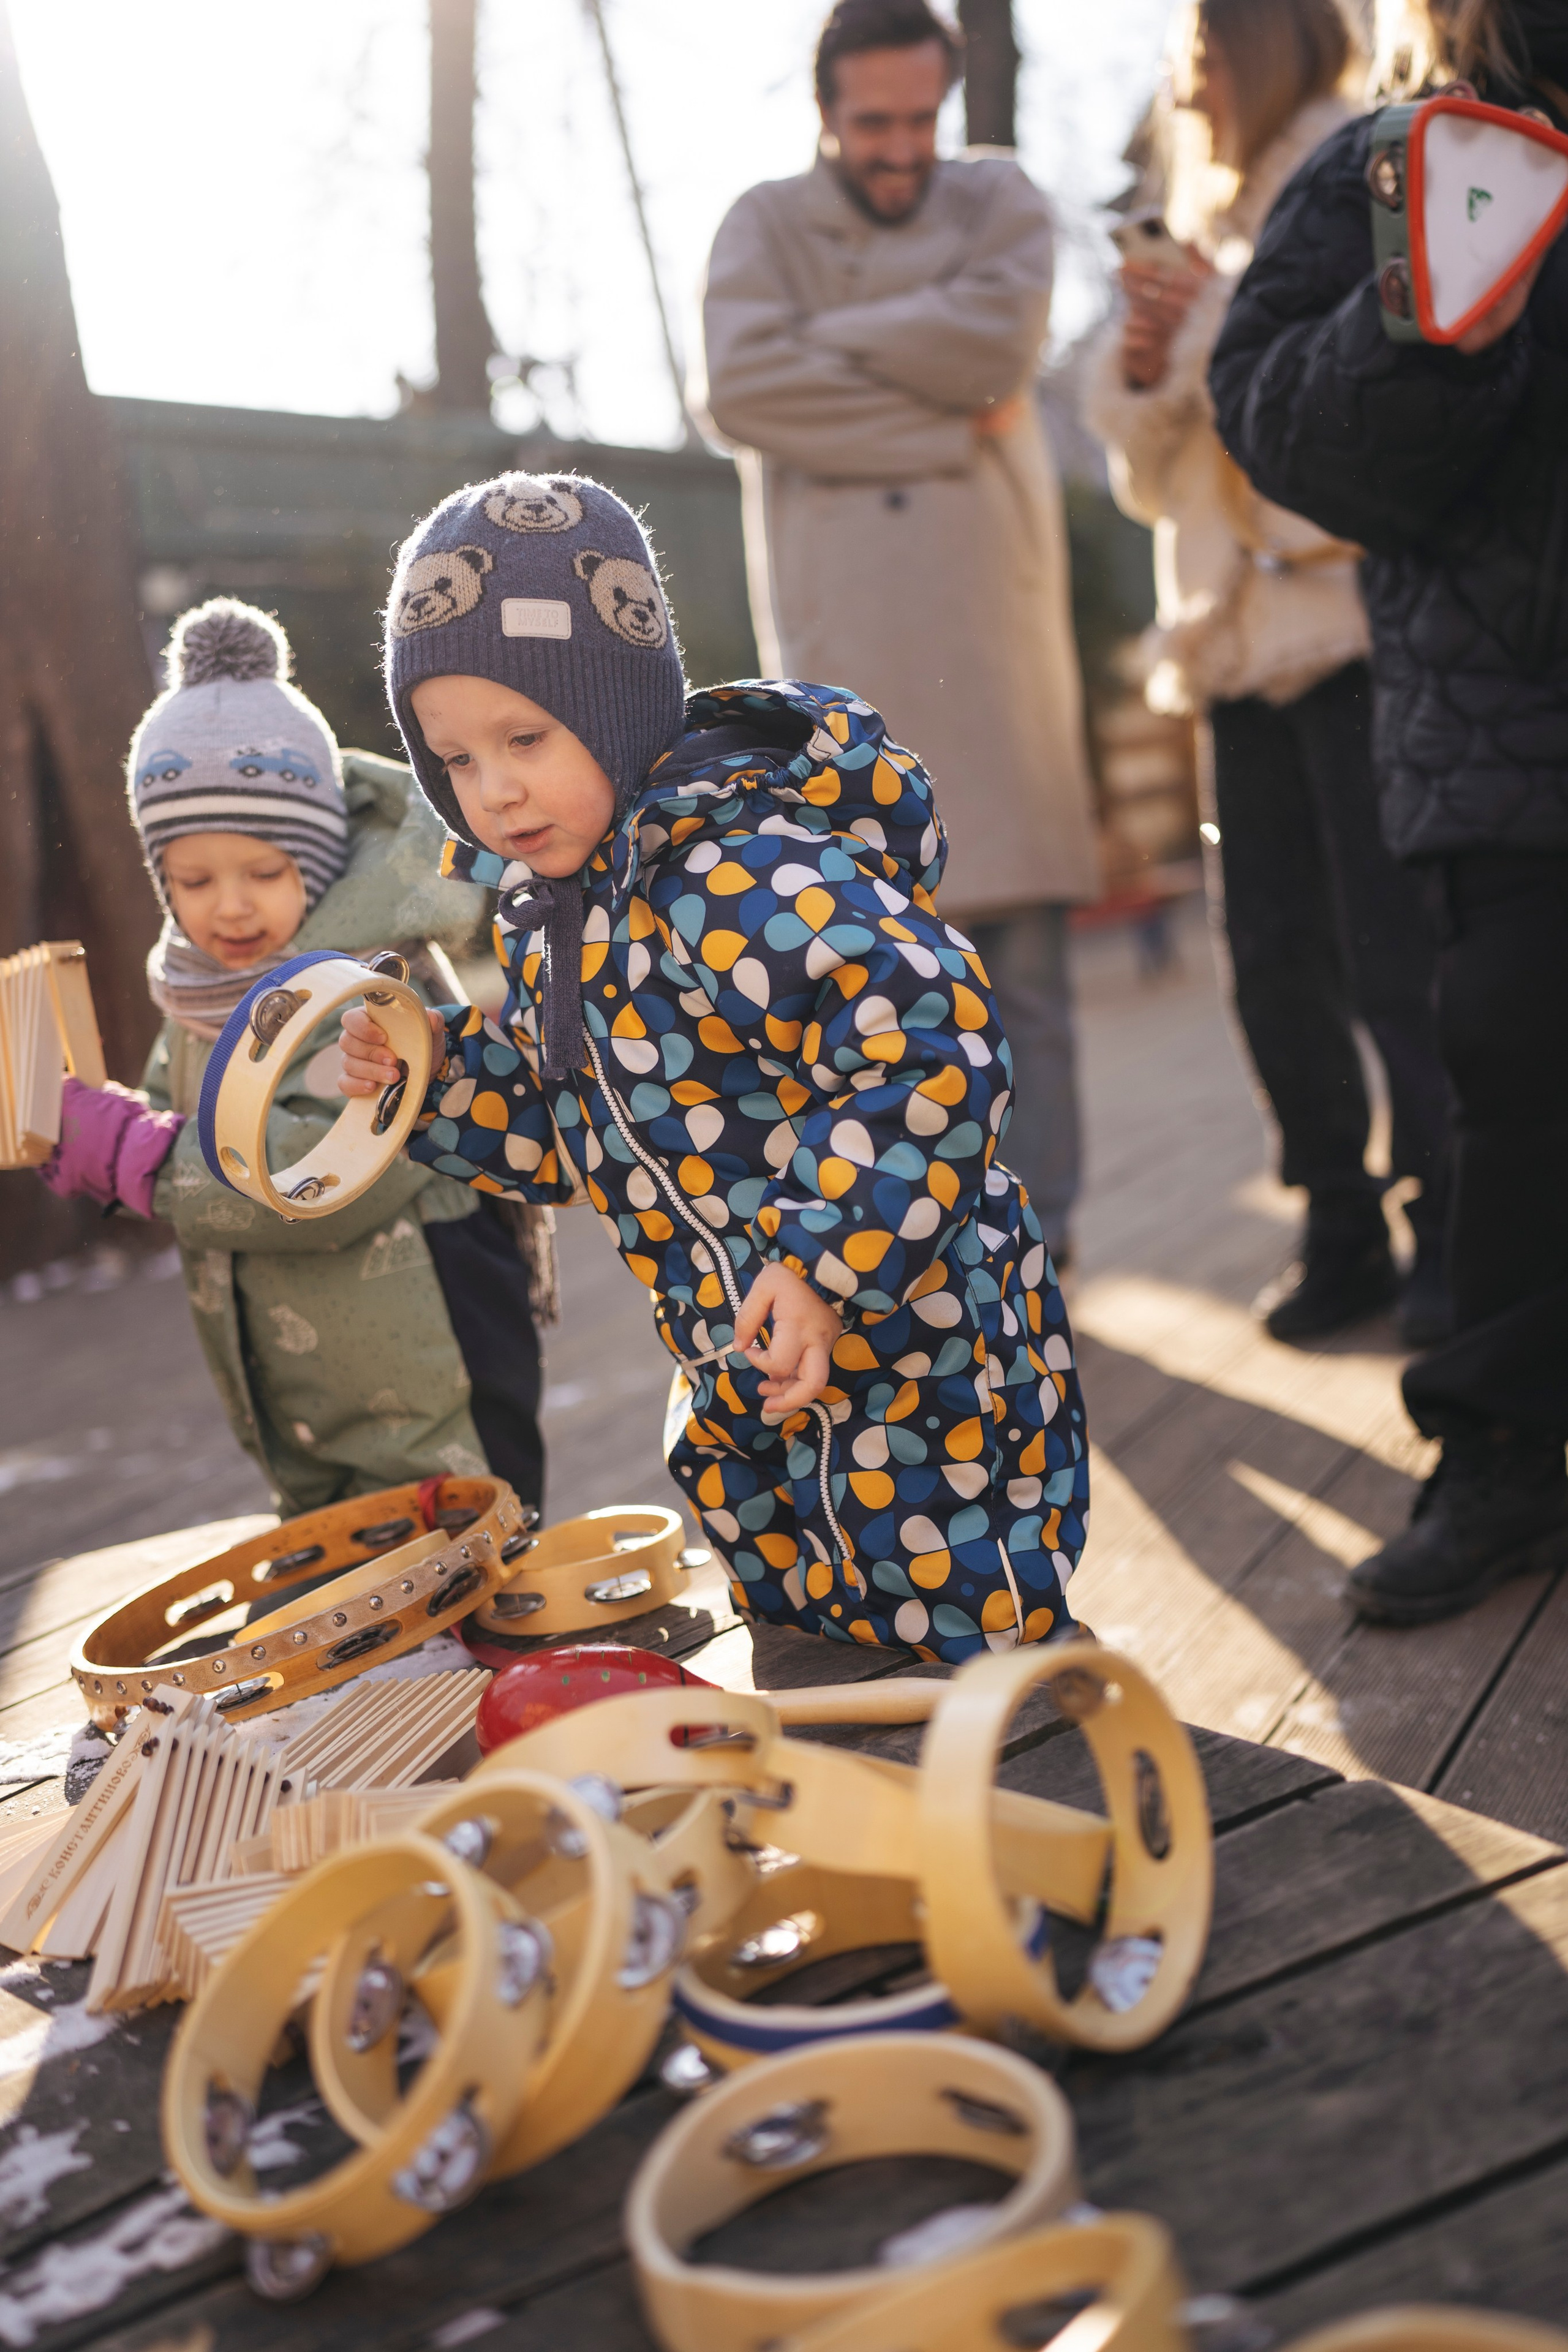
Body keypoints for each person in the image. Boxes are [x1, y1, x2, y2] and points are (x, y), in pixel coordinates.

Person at [341, 472, 1089, 1664]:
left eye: (525, 739)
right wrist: (426, 1082)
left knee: (964, 1633)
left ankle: (1026, 1789)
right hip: (732, 1356)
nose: (495, 790)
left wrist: (822, 1261)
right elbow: (568, 1122)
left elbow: (928, 1047)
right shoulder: (555, 914)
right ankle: (838, 1767)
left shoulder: (744, 870)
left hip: (909, 1342)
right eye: (456, 760)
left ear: (619, 710)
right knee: (799, 1633)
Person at [1210, 0, 1568, 1620]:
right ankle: (1497, 1458)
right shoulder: (1391, 163)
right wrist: (1427, 323)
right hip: (1511, 742)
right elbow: (1275, 415)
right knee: (1519, 1093)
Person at [695, 0, 1099, 1267]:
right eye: (871, 122)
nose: (898, 147)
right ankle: (915, 1251)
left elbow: (998, 350)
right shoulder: (760, 224)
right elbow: (742, 389)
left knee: (1021, 969)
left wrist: (830, 359)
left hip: (988, 637)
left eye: (919, 118)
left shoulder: (1001, 202)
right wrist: (938, 424)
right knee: (861, 983)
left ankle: (1045, 1238)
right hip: (843, 658)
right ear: (824, 112)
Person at [1083, 0, 1452, 1348]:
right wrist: (1141, 366)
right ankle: (1337, 1221)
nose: (1189, 87)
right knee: (1269, 955)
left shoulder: (1354, 165)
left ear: (1271, 45)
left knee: (1386, 951)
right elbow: (1147, 467)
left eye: (1206, 59)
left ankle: (1444, 1227)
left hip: (1338, 619)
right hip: (1225, 640)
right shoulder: (1202, 213)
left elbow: (1350, 368)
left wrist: (1197, 331)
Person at [40, 599, 549, 1518]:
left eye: (264, 873)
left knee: (478, 1553)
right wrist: (95, 1136)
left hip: (430, 1376)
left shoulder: (371, 990)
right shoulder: (196, 990)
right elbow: (182, 1129)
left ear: (315, 864)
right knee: (354, 1596)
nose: (228, 909)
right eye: (193, 882)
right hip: (301, 1394)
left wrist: (136, 1158)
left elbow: (322, 1172)